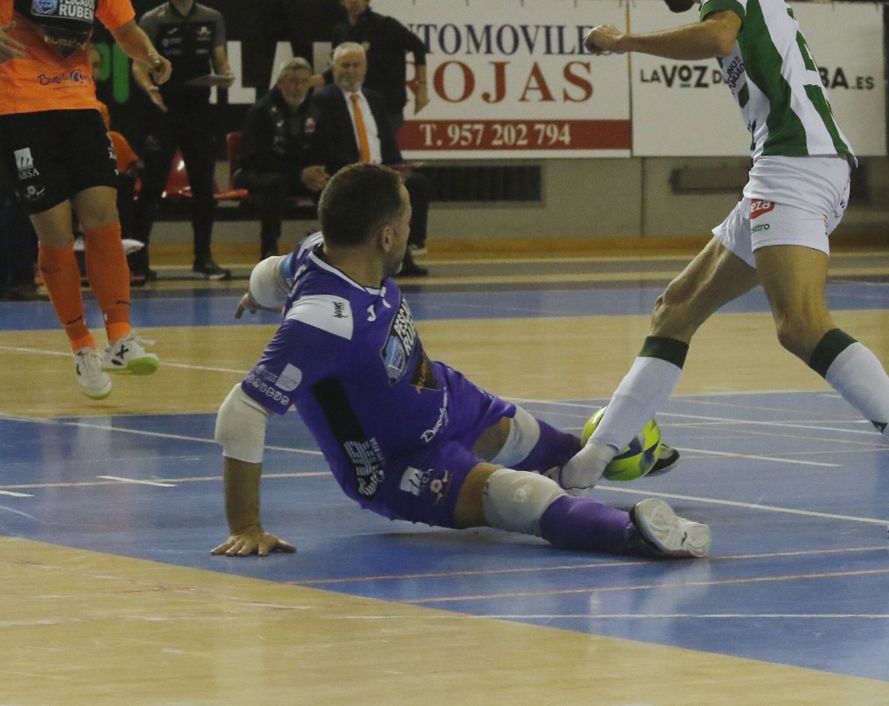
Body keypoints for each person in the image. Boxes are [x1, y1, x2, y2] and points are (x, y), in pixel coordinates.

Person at [571, 0, 889, 537]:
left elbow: (718, 36)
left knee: (799, 325)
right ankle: (586, 467)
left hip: (799, 162)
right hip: (783, 165)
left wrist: (624, 40)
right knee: (675, 309)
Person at [216, 163, 709, 561]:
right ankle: (639, 535)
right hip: (401, 463)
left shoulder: (317, 250)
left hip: (447, 396)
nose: (414, 229)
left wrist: (254, 295)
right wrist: (246, 527)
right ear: (386, 237)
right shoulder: (323, 321)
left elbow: (271, 272)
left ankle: (621, 457)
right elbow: (240, 414)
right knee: (521, 498)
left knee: (554, 450)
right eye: (409, 220)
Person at [0, 0, 166, 398]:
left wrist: (150, 56)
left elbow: (125, 29)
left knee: (103, 217)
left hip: (79, 107)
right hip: (21, 109)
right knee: (54, 233)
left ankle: (120, 335)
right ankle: (81, 346)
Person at [130, 0, 233, 282]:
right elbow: (139, 63)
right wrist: (150, 90)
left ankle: (203, 258)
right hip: (163, 109)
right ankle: (139, 261)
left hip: (199, 110)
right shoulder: (153, 19)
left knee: (204, 186)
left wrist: (225, 74)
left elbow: (220, 60)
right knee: (151, 186)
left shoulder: (212, 18)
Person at [302, 42, 428, 277]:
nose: (350, 70)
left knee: (417, 184)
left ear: (365, 68)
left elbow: (387, 140)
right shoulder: (323, 99)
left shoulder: (375, 99)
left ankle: (409, 248)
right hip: (347, 175)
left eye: (356, 65)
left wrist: (399, 166)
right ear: (334, 68)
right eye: (345, 65)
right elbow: (318, 143)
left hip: (381, 171)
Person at [330, 0, 430, 140]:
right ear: (342, 0)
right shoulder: (340, 31)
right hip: (353, 105)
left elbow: (418, 46)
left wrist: (422, 89)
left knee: (379, 153)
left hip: (387, 106)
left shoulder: (386, 25)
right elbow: (335, 69)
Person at [236, 57, 317, 259]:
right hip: (255, 172)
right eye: (292, 81)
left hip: (297, 175)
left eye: (303, 81)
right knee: (276, 183)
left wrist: (318, 172)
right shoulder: (261, 111)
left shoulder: (316, 110)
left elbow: (322, 146)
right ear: (280, 83)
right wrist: (299, 173)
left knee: (330, 183)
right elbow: (257, 157)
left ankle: (332, 246)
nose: (297, 87)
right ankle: (269, 249)